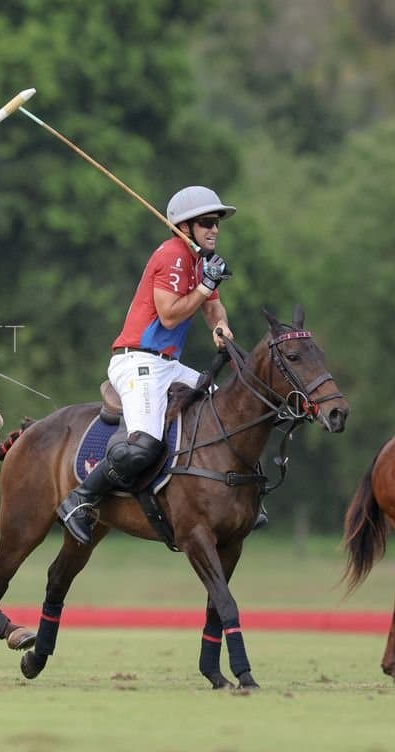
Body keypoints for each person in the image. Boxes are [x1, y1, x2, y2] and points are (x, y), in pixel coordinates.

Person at [56, 185, 251, 545]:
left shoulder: (200, 261)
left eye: (217, 223)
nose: (215, 229)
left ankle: (236, 498)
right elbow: (169, 315)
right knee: (144, 444)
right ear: (184, 227)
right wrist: (205, 286)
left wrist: (220, 326)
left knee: (226, 411)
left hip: (168, 365)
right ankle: (79, 499)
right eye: (207, 222)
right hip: (137, 360)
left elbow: (212, 306)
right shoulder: (173, 255)